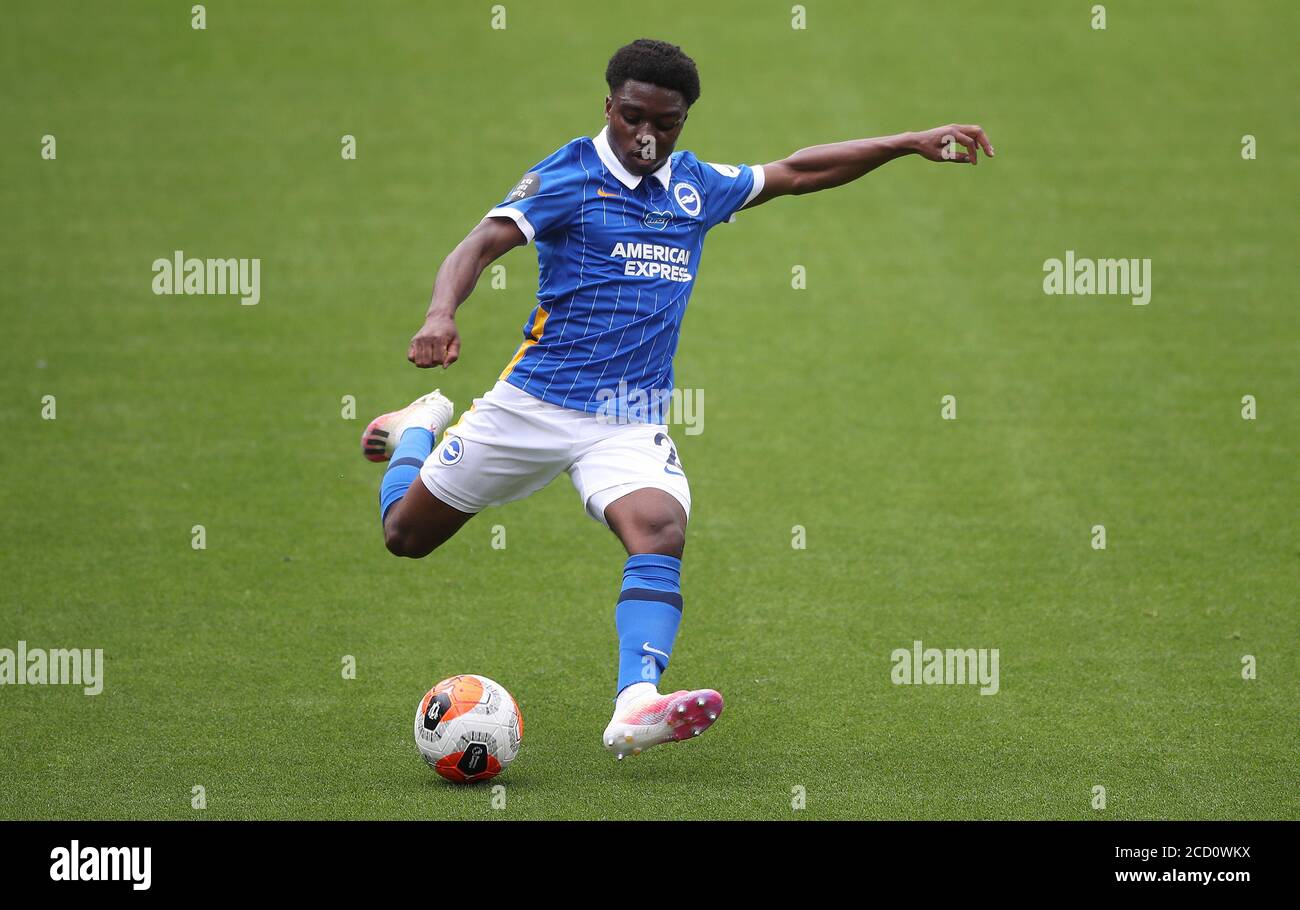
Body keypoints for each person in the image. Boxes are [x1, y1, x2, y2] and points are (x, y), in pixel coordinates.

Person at [363, 38, 994, 760]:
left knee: (660, 529)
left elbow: (797, 171)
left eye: (666, 124)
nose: (646, 137)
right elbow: (480, 242)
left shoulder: (694, 187)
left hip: (629, 416)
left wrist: (908, 143)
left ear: (684, 119)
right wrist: (441, 313)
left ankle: (636, 702)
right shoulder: (567, 176)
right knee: (405, 539)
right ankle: (418, 429)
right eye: (633, 117)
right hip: (532, 406)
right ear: (608, 106)